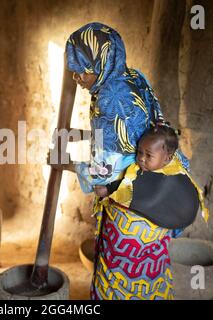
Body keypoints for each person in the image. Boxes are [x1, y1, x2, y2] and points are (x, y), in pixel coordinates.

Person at [48, 22, 194, 299]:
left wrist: (63, 164)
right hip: (158, 198)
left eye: (83, 68)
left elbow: (104, 174)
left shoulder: (108, 99)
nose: (77, 76)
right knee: (149, 278)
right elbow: (128, 136)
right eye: (73, 68)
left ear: (101, 61)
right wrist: (78, 134)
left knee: (118, 282)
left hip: (132, 209)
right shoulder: (131, 78)